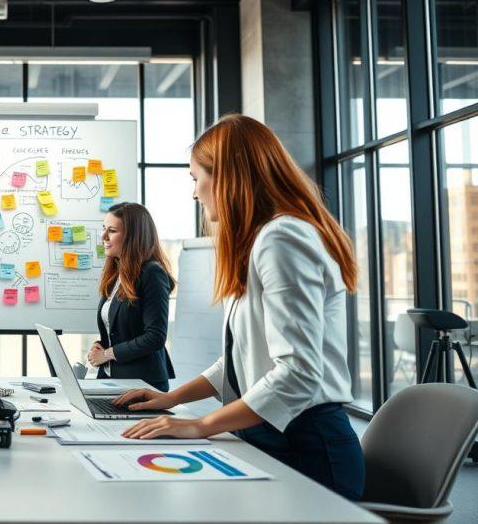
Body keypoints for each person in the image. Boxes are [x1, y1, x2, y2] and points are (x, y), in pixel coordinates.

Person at [112, 114, 365, 500]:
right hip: (271, 430)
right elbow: (240, 359)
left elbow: (298, 374)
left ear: (228, 176)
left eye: (196, 178)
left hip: (306, 445)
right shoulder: (262, 241)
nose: (194, 193)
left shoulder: (282, 239)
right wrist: (172, 399)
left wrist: (201, 426)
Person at [86, 202, 176, 392]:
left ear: (133, 236)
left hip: (142, 384)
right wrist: (100, 345)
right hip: (112, 379)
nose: (103, 236)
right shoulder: (116, 274)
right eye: (104, 229)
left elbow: (155, 337)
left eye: (112, 230)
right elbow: (121, 330)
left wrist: (108, 354)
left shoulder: (152, 273)